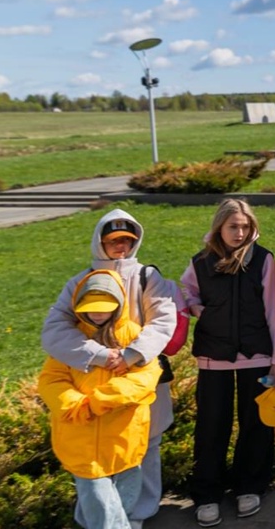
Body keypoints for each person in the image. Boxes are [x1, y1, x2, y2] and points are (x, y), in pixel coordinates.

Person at [42, 209, 179, 529]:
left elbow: (163, 320)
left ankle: (137, 514)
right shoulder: (80, 283)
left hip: (140, 376)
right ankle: (105, 519)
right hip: (91, 384)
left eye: (127, 240)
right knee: (94, 457)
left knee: (146, 444)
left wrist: (131, 354)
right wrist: (101, 355)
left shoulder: (147, 277)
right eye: (114, 240)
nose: (121, 246)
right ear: (100, 241)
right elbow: (54, 331)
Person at [179, 199, 275, 526]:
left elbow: (273, 311)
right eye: (233, 227)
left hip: (257, 356)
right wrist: (198, 309)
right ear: (219, 227)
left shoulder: (263, 260)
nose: (239, 233)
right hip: (214, 358)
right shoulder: (201, 262)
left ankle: (249, 487)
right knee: (211, 426)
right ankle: (207, 494)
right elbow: (186, 291)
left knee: (255, 425)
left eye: (245, 227)